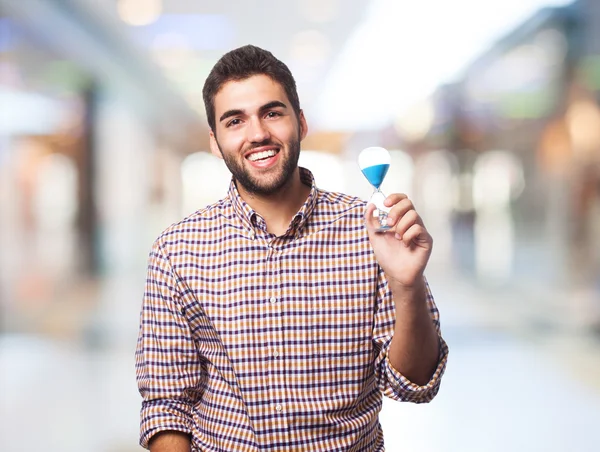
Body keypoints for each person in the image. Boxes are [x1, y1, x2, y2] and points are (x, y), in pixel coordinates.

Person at [135, 44, 449, 452]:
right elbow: (167, 406)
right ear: (215, 142)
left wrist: (407, 285)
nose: (258, 134)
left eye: (272, 112)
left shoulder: (371, 232)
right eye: (235, 121)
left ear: (300, 122)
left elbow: (416, 384)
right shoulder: (177, 252)